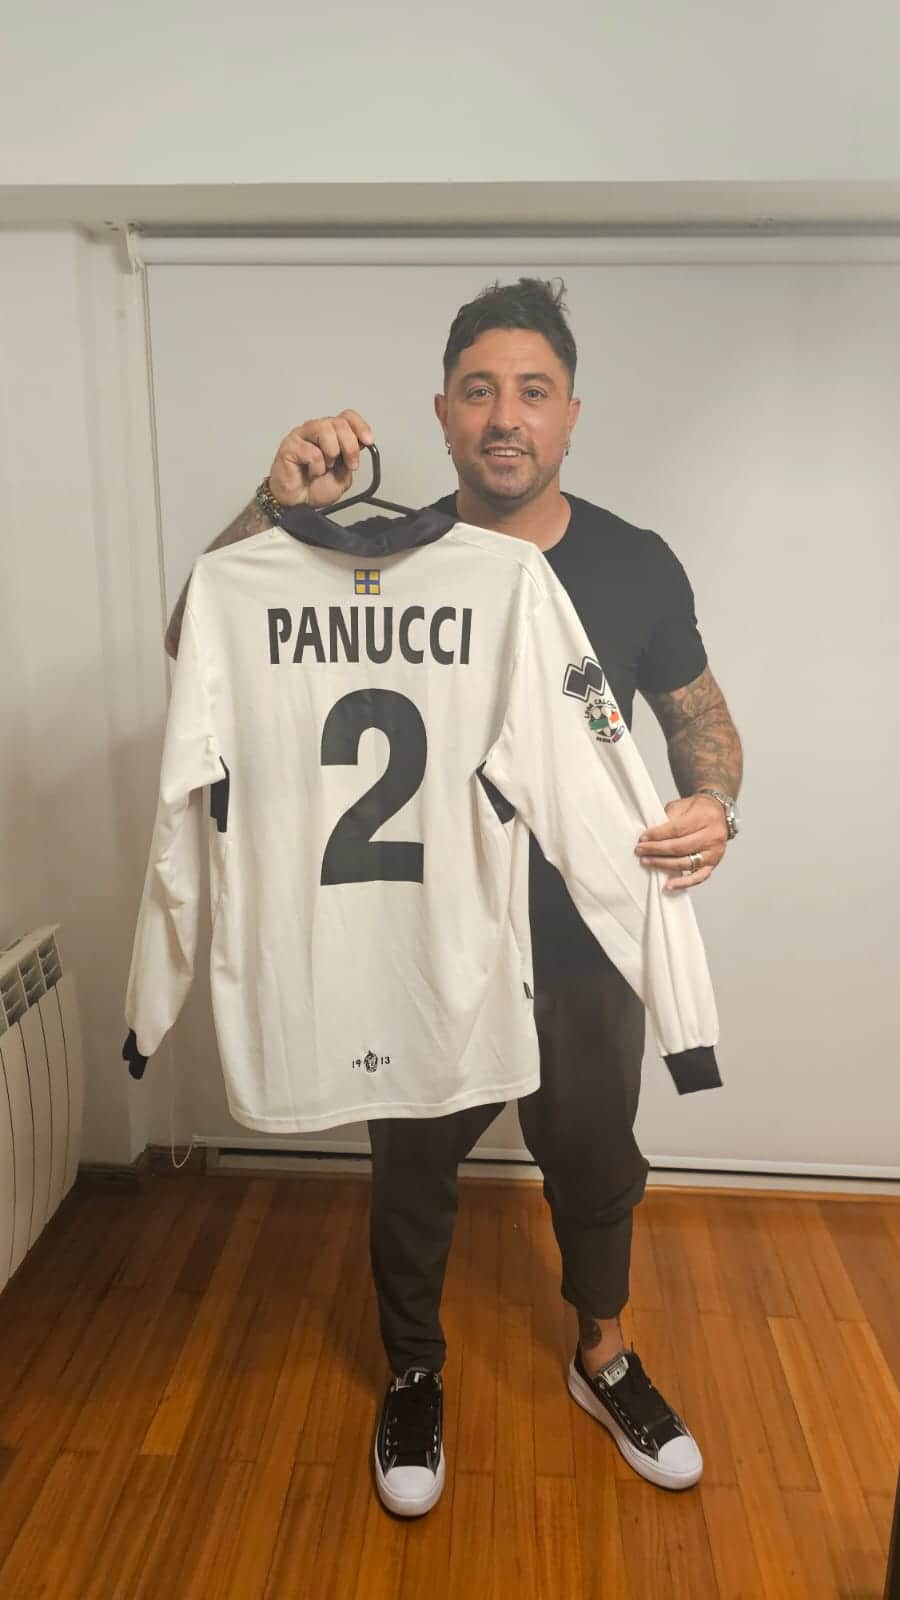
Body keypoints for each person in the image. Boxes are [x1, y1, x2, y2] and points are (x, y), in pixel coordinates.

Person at [164, 278, 742, 1516]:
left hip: (582, 937)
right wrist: (273, 502)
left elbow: (703, 720)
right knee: (411, 1161)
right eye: (479, 390)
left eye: (533, 390)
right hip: (418, 926)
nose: (505, 415)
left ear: (572, 413)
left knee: (595, 1155)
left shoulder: (635, 564)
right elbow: (194, 636)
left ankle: (604, 1354)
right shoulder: (364, 556)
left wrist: (715, 802)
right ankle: (415, 1369)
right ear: (441, 412)